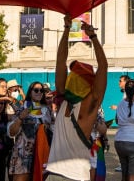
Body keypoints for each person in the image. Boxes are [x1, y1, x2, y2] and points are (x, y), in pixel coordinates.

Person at [46, 15, 107, 181]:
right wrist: (67, 29)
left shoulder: (86, 104)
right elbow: (61, 61)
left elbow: (103, 67)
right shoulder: (66, 98)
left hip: (70, 176)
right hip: (58, 174)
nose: (71, 76)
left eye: (75, 74)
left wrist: (92, 36)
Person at [8, 82, 53, 181]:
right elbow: (11, 132)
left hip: (42, 152)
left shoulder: (47, 111)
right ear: (30, 92)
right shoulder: (22, 108)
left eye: (42, 91)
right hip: (23, 155)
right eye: (36, 90)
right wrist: (20, 118)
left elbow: (52, 129)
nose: (39, 92)